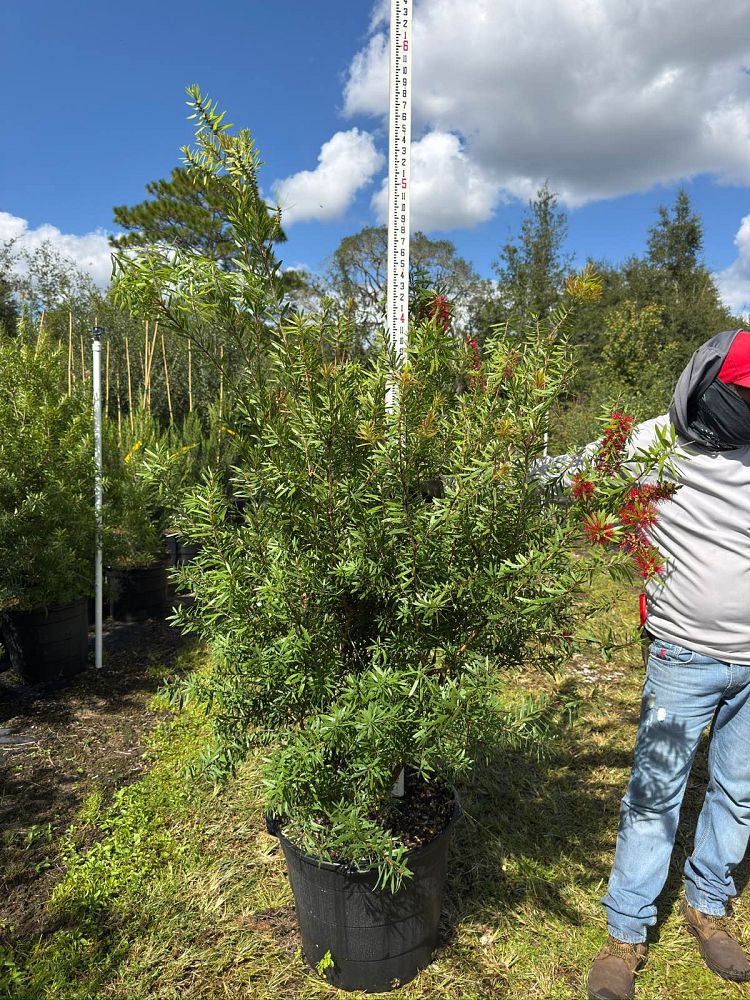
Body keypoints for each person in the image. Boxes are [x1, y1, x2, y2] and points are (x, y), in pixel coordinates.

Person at [584, 329, 750, 1000]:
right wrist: (472, 481)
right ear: (706, 387)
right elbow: (571, 471)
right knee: (655, 795)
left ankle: (707, 905)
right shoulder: (653, 444)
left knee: (739, 790)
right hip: (683, 652)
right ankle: (626, 933)